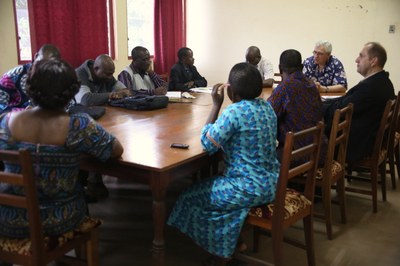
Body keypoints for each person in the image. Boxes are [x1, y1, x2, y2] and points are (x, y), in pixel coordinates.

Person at [167, 63, 280, 263]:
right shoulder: (267, 106)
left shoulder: (234, 112)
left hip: (246, 188)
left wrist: (216, 105)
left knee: (186, 198)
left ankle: (221, 248)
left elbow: (207, 143)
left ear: (231, 90)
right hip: (271, 183)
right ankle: (234, 242)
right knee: (218, 190)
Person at [0, 59, 123, 239]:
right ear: (71, 91)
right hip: (58, 219)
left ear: (29, 89)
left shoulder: (6, 121)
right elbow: (115, 150)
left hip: (7, 218)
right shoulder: (78, 125)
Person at [323, 42, 395, 163]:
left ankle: (301, 174)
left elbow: (341, 109)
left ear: (373, 61)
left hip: (355, 145)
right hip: (367, 135)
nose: (356, 60)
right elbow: (346, 99)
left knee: (308, 134)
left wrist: (317, 107)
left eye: (361, 56)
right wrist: (325, 103)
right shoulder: (382, 81)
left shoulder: (371, 87)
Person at [268, 49, 327, 164]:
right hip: (319, 151)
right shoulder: (311, 84)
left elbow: (267, 117)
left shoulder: (285, 87)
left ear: (280, 68)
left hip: (298, 155)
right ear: (301, 66)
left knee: (254, 156)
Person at [0, 44, 61, 114]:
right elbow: (1, 106)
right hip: (17, 121)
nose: (44, 69)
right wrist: (24, 113)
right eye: (42, 63)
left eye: (50, 66)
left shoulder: (58, 77)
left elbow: (69, 106)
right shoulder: (12, 76)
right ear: (36, 56)